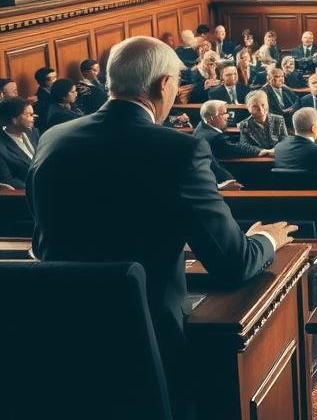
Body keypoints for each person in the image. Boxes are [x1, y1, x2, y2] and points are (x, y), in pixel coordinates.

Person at [27, 36, 296, 414]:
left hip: (60, 331)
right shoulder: (179, 150)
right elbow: (232, 263)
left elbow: (43, 241)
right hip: (145, 337)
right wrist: (266, 239)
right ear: (164, 85)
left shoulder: (53, 138)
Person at [193, 99, 273, 172]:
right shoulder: (214, 137)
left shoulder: (202, 125)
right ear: (211, 118)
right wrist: (262, 151)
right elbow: (235, 149)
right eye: (224, 114)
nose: (227, 117)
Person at [0, 98, 37, 189]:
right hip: (26, 194)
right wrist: (36, 188)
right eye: (29, 115)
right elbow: (8, 180)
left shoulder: (34, 132)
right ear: (14, 120)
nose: (33, 118)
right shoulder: (2, 147)